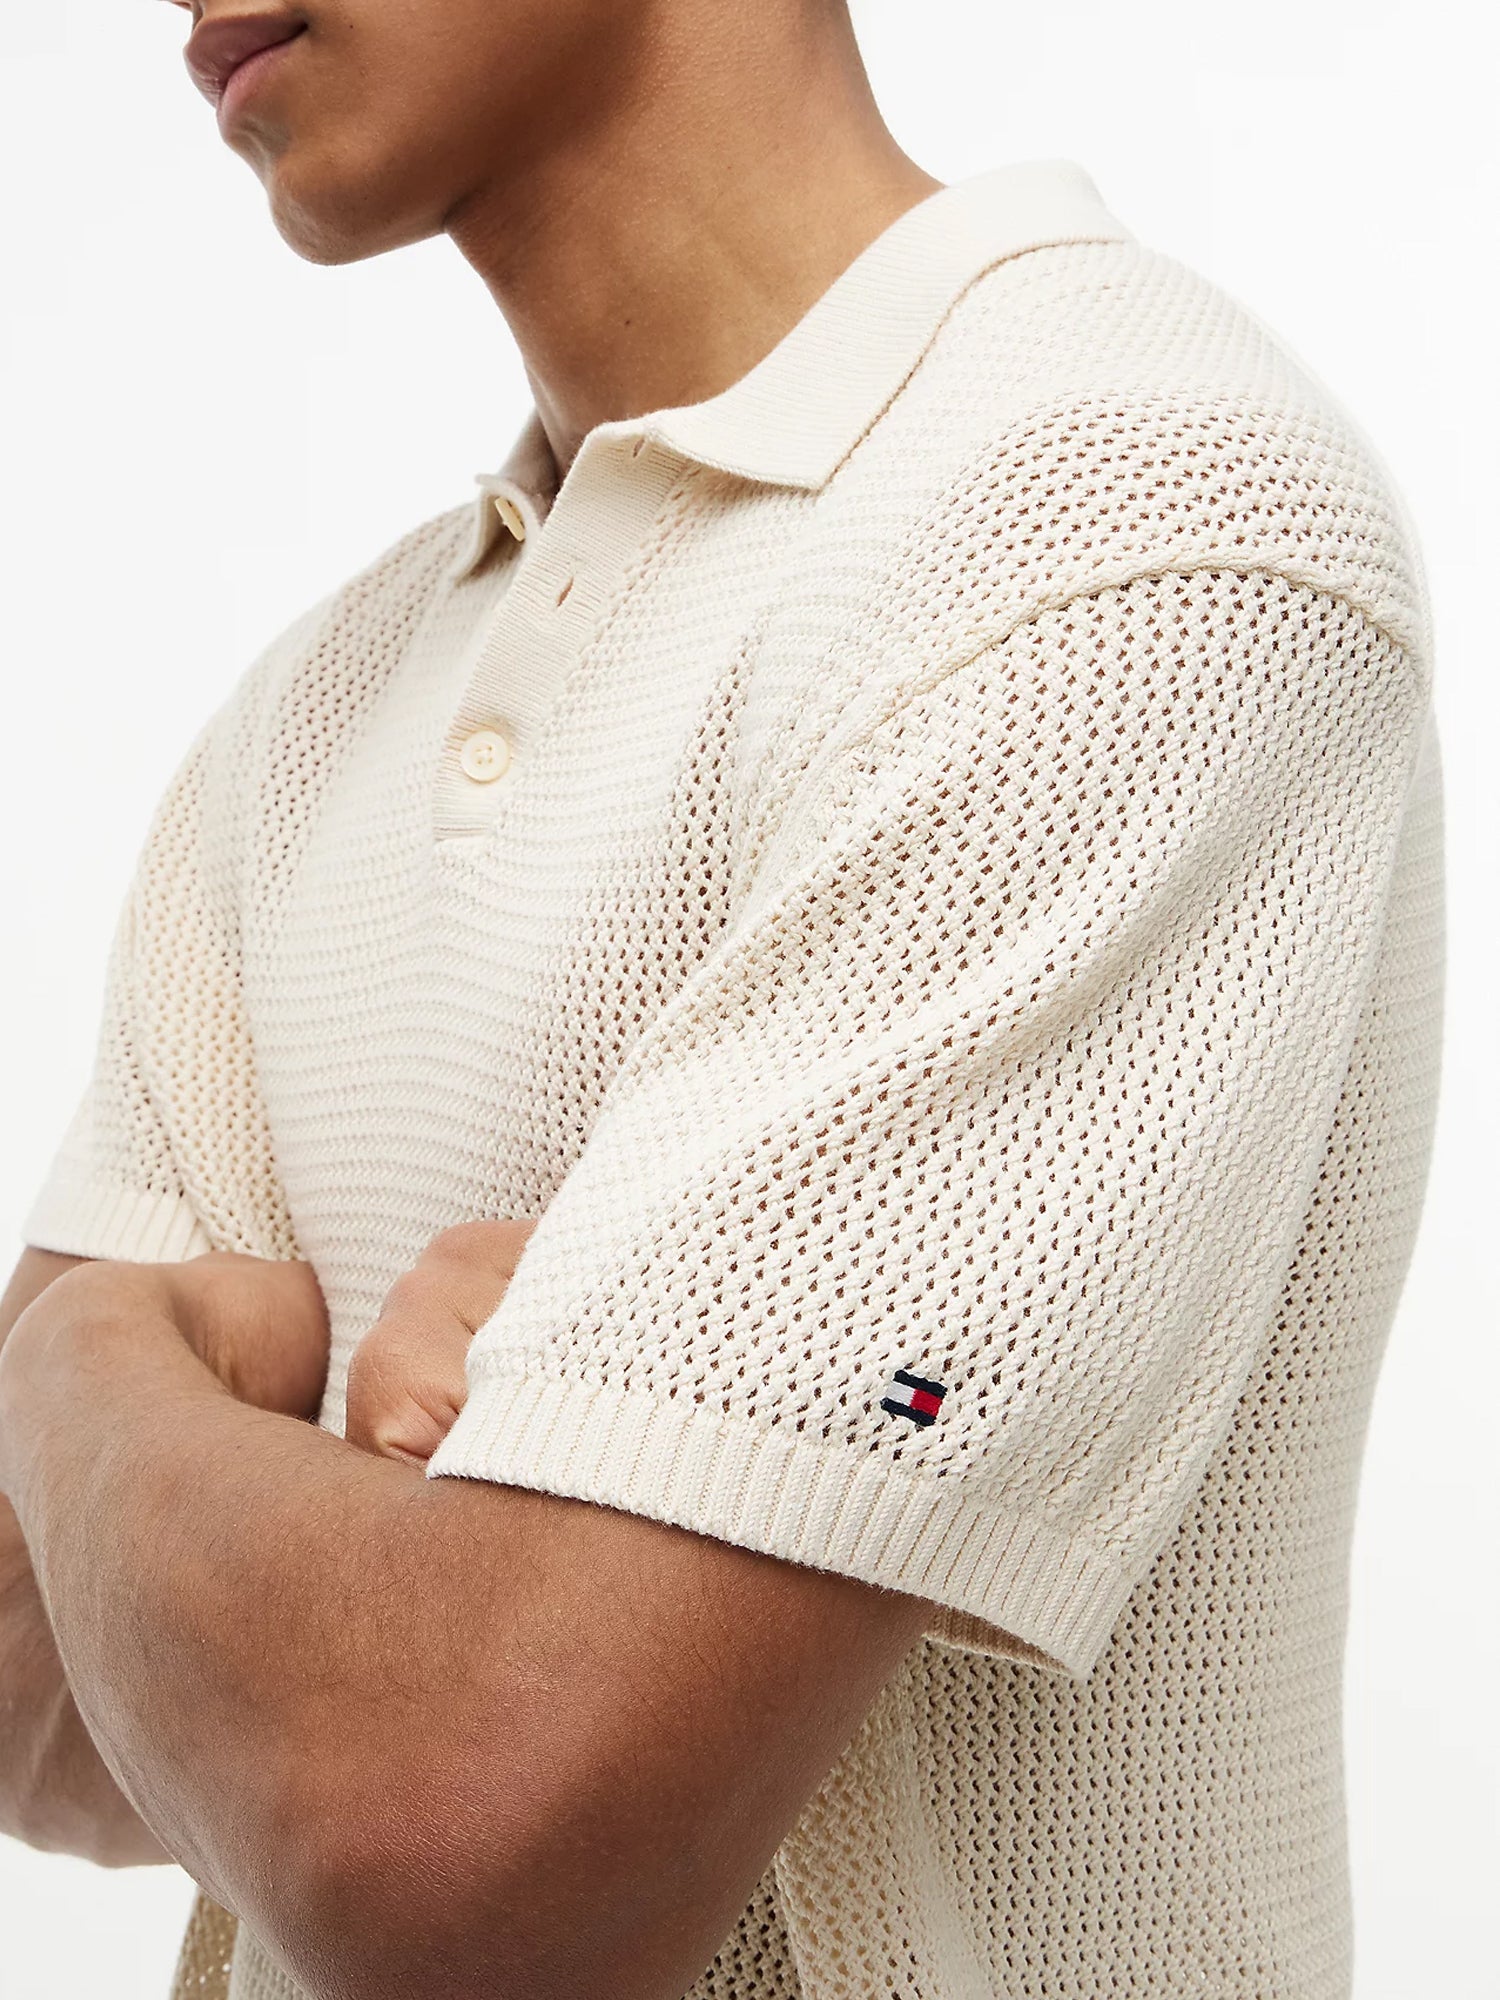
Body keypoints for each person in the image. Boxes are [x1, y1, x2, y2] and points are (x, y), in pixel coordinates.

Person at [0, 0, 1445, 1995]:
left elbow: (456, 1841)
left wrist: (81, 1375)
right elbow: (41, 1707)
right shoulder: (316, 703)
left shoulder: (1130, 529)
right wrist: (375, 1552)